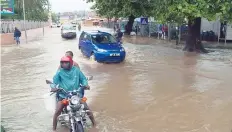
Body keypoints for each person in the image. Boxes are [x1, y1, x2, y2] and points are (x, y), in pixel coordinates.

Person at [51, 56, 96, 132]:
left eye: (66, 62)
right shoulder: (60, 72)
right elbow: (54, 82)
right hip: (64, 95)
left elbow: (83, 79)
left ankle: (95, 125)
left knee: (87, 109)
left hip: (76, 95)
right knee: (57, 111)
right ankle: (54, 129)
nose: (64, 64)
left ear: (70, 63)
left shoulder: (76, 70)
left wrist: (85, 84)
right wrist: (53, 87)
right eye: (62, 63)